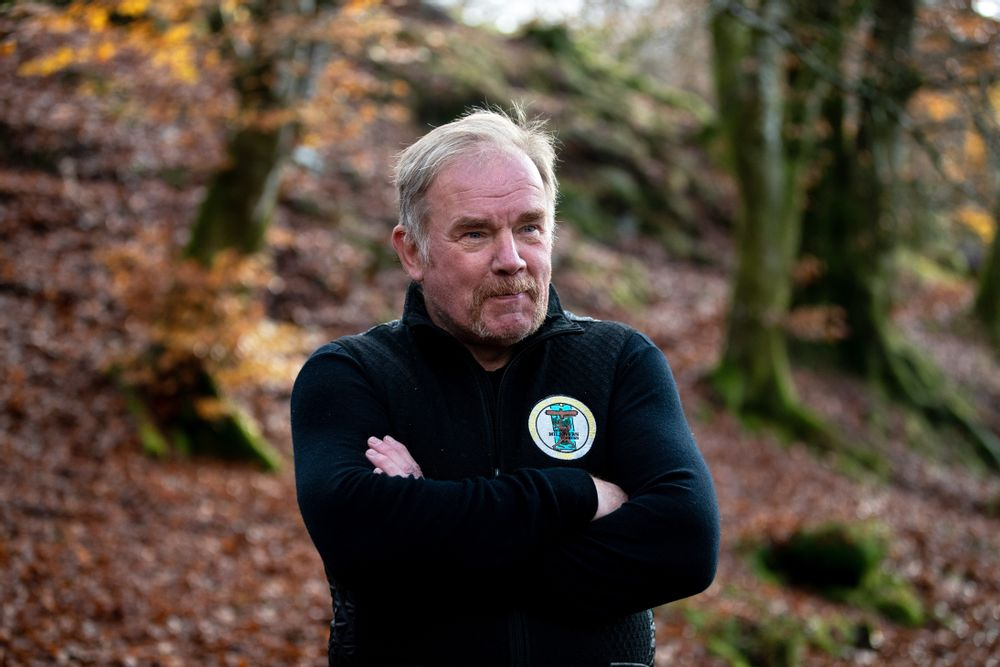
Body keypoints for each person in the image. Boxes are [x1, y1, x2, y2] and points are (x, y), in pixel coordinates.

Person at [291, 107, 720, 667]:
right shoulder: (353, 373)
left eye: (530, 228)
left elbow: (687, 544)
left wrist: (433, 533)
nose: (512, 260)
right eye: (475, 233)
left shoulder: (618, 362)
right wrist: (577, 495)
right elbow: (356, 535)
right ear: (412, 251)